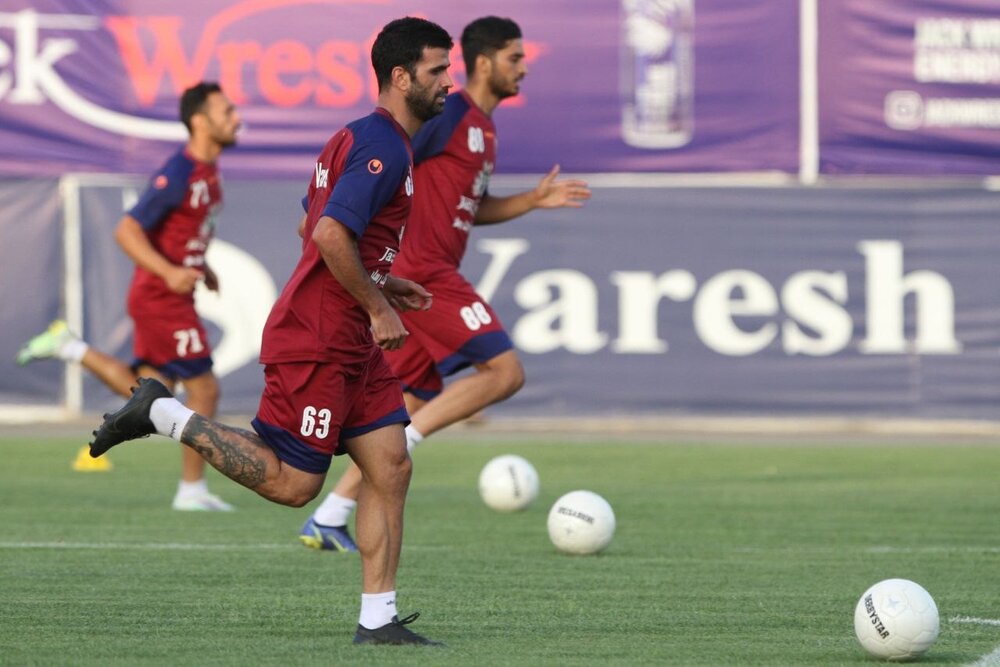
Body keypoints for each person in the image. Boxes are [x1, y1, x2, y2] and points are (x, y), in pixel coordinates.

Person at [87, 17, 453, 646]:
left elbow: (313, 233)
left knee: (390, 464)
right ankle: (164, 415)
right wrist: (377, 306)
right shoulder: (384, 146)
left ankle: (379, 621)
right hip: (319, 337)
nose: (448, 82)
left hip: (350, 340)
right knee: (295, 485)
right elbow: (330, 234)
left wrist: (383, 287)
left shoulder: (359, 136)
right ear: (401, 76)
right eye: (437, 70)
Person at [298, 16, 591, 552]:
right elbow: (388, 163)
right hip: (423, 272)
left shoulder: (482, 127)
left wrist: (531, 200)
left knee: (408, 401)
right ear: (485, 63)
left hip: (421, 274)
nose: (523, 68)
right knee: (504, 372)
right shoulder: (450, 114)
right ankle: (402, 449)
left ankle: (331, 514)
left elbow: (470, 208)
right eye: (514, 58)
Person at [17, 82, 240, 511]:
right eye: (226, 111)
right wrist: (172, 271)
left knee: (153, 390)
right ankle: (191, 491)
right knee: (205, 390)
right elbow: (127, 229)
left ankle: (71, 345)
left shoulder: (208, 172)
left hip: (168, 293)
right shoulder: (181, 171)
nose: (236, 118)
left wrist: (200, 266)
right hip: (161, 297)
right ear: (200, 120)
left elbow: (180, 234)